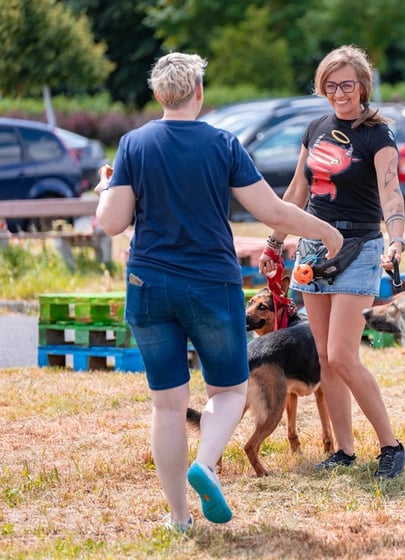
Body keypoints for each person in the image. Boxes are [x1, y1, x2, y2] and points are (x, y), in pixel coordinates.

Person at [94, 52, 343, 531]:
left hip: (148, 284)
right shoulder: (223, 144)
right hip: (210, 284)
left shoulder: (133, 144)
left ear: (158, 95)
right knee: (228, 390)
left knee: (167, 405)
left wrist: (107, 186)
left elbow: (111, 222)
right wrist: (325, 232)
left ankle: (180, 518)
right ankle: (205, 464)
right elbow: (273, 211)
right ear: (199, 92)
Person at [259, 45, 405, 478]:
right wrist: (275, 243)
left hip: (359, 249)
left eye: (347, 84)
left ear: (363, 86)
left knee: (343, 356)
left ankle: (391, 447)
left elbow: (391, 191)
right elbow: (296, 193)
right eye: (330, 84)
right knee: (325, 360)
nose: (339, 93)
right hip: (311, 248)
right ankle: (344, 450)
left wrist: (395, 239)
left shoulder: (377, 135)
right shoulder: (316, 127)